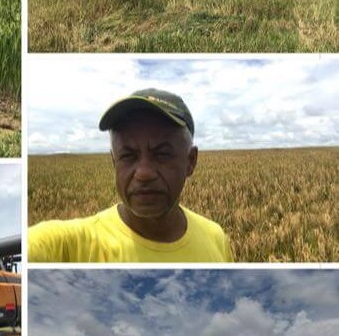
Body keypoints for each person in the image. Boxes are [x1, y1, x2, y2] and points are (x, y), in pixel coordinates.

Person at [28, 88, 233, 262]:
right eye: (128, 156)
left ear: (190, 161)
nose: (143, 174)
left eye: (161, 154)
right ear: (114, 162)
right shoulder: (69, 246)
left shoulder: (216, 238)